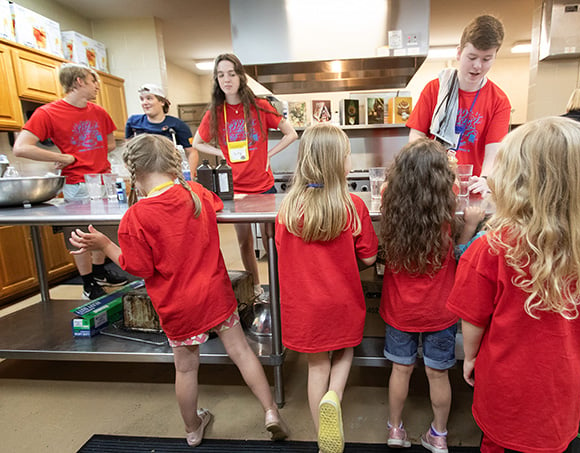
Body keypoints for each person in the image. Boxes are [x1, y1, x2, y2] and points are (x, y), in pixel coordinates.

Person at [68, 134, 289, 448]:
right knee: (242, 353)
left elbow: (138, 267)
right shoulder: (195, 192)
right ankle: (270, 412)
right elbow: (216, 205)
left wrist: (104, 245)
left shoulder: (136, 217)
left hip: (177, 307)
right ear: (172, 164)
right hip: (216, 296)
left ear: (135, 174)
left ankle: (192, 429)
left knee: (185, 368)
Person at [446, 117, 580, 453]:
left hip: (504, 384)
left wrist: (469, 358)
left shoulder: (490, 248)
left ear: (515, 181)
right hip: (562, 388)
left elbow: (474, 320)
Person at [275, 123, 378, 453]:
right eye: (347, 156)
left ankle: (324, 437)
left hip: (303, 306)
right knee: (346, 348)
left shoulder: (288, 209)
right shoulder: (352, 206)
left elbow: (281, 253)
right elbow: (370, 257)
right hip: (341, 301)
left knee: (316, 365)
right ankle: (334, 396)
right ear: (338, 162)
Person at [378, 139, 484, 452]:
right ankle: (438, 435)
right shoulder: (447, 203)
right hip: (441, 310)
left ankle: (395, 429)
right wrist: (472, 225)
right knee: (438, 375)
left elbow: (385, 188)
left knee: (401, 370)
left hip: (400, 308)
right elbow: (460, 254)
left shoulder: (389, 199)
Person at [12, 63, 127, 300]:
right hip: (76, 183)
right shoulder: (48, 113)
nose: (97, 86)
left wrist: (93, 155)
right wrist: (62, 157)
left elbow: (110, 144)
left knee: (103, 232)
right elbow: (21, 148)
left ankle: (99, 272)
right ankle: (87, 284)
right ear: (78, 81)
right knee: (81, 236)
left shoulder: (100, 112)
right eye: (93, 81)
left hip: (103, 181)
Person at [193, 53, 298, 301]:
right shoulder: (215, 113)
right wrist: (222, 152)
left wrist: (267, 154)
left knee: (274, 241)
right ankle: (256, 288)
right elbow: (198, 142)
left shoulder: (260, 106)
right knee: (244, 242)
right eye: (221, 75)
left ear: (241, 76)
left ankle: (282, 289)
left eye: (231, 73)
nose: (226, 79)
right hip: (234, 190)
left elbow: (291, 134)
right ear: (216, 80)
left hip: (263, 186)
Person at [406, 15, 511, 196]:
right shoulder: (435, 89)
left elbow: (494, 151)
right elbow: (417, 136)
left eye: (486, 59)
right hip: (433, 188)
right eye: (472, 57)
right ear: (459, 53)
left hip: (471, 190)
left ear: (495, 57)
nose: (477, 66)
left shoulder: (499, 101)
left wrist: (485, 180)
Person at [126, 83, 200, 179]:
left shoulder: (177, 124)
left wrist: (190, 176)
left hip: (169, 172)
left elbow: (191, 152)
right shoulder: (133, 122)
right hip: (143, 174)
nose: (144, 102)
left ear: (162, 102)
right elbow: (127, 151)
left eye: (149, 98)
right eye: (142, 99)